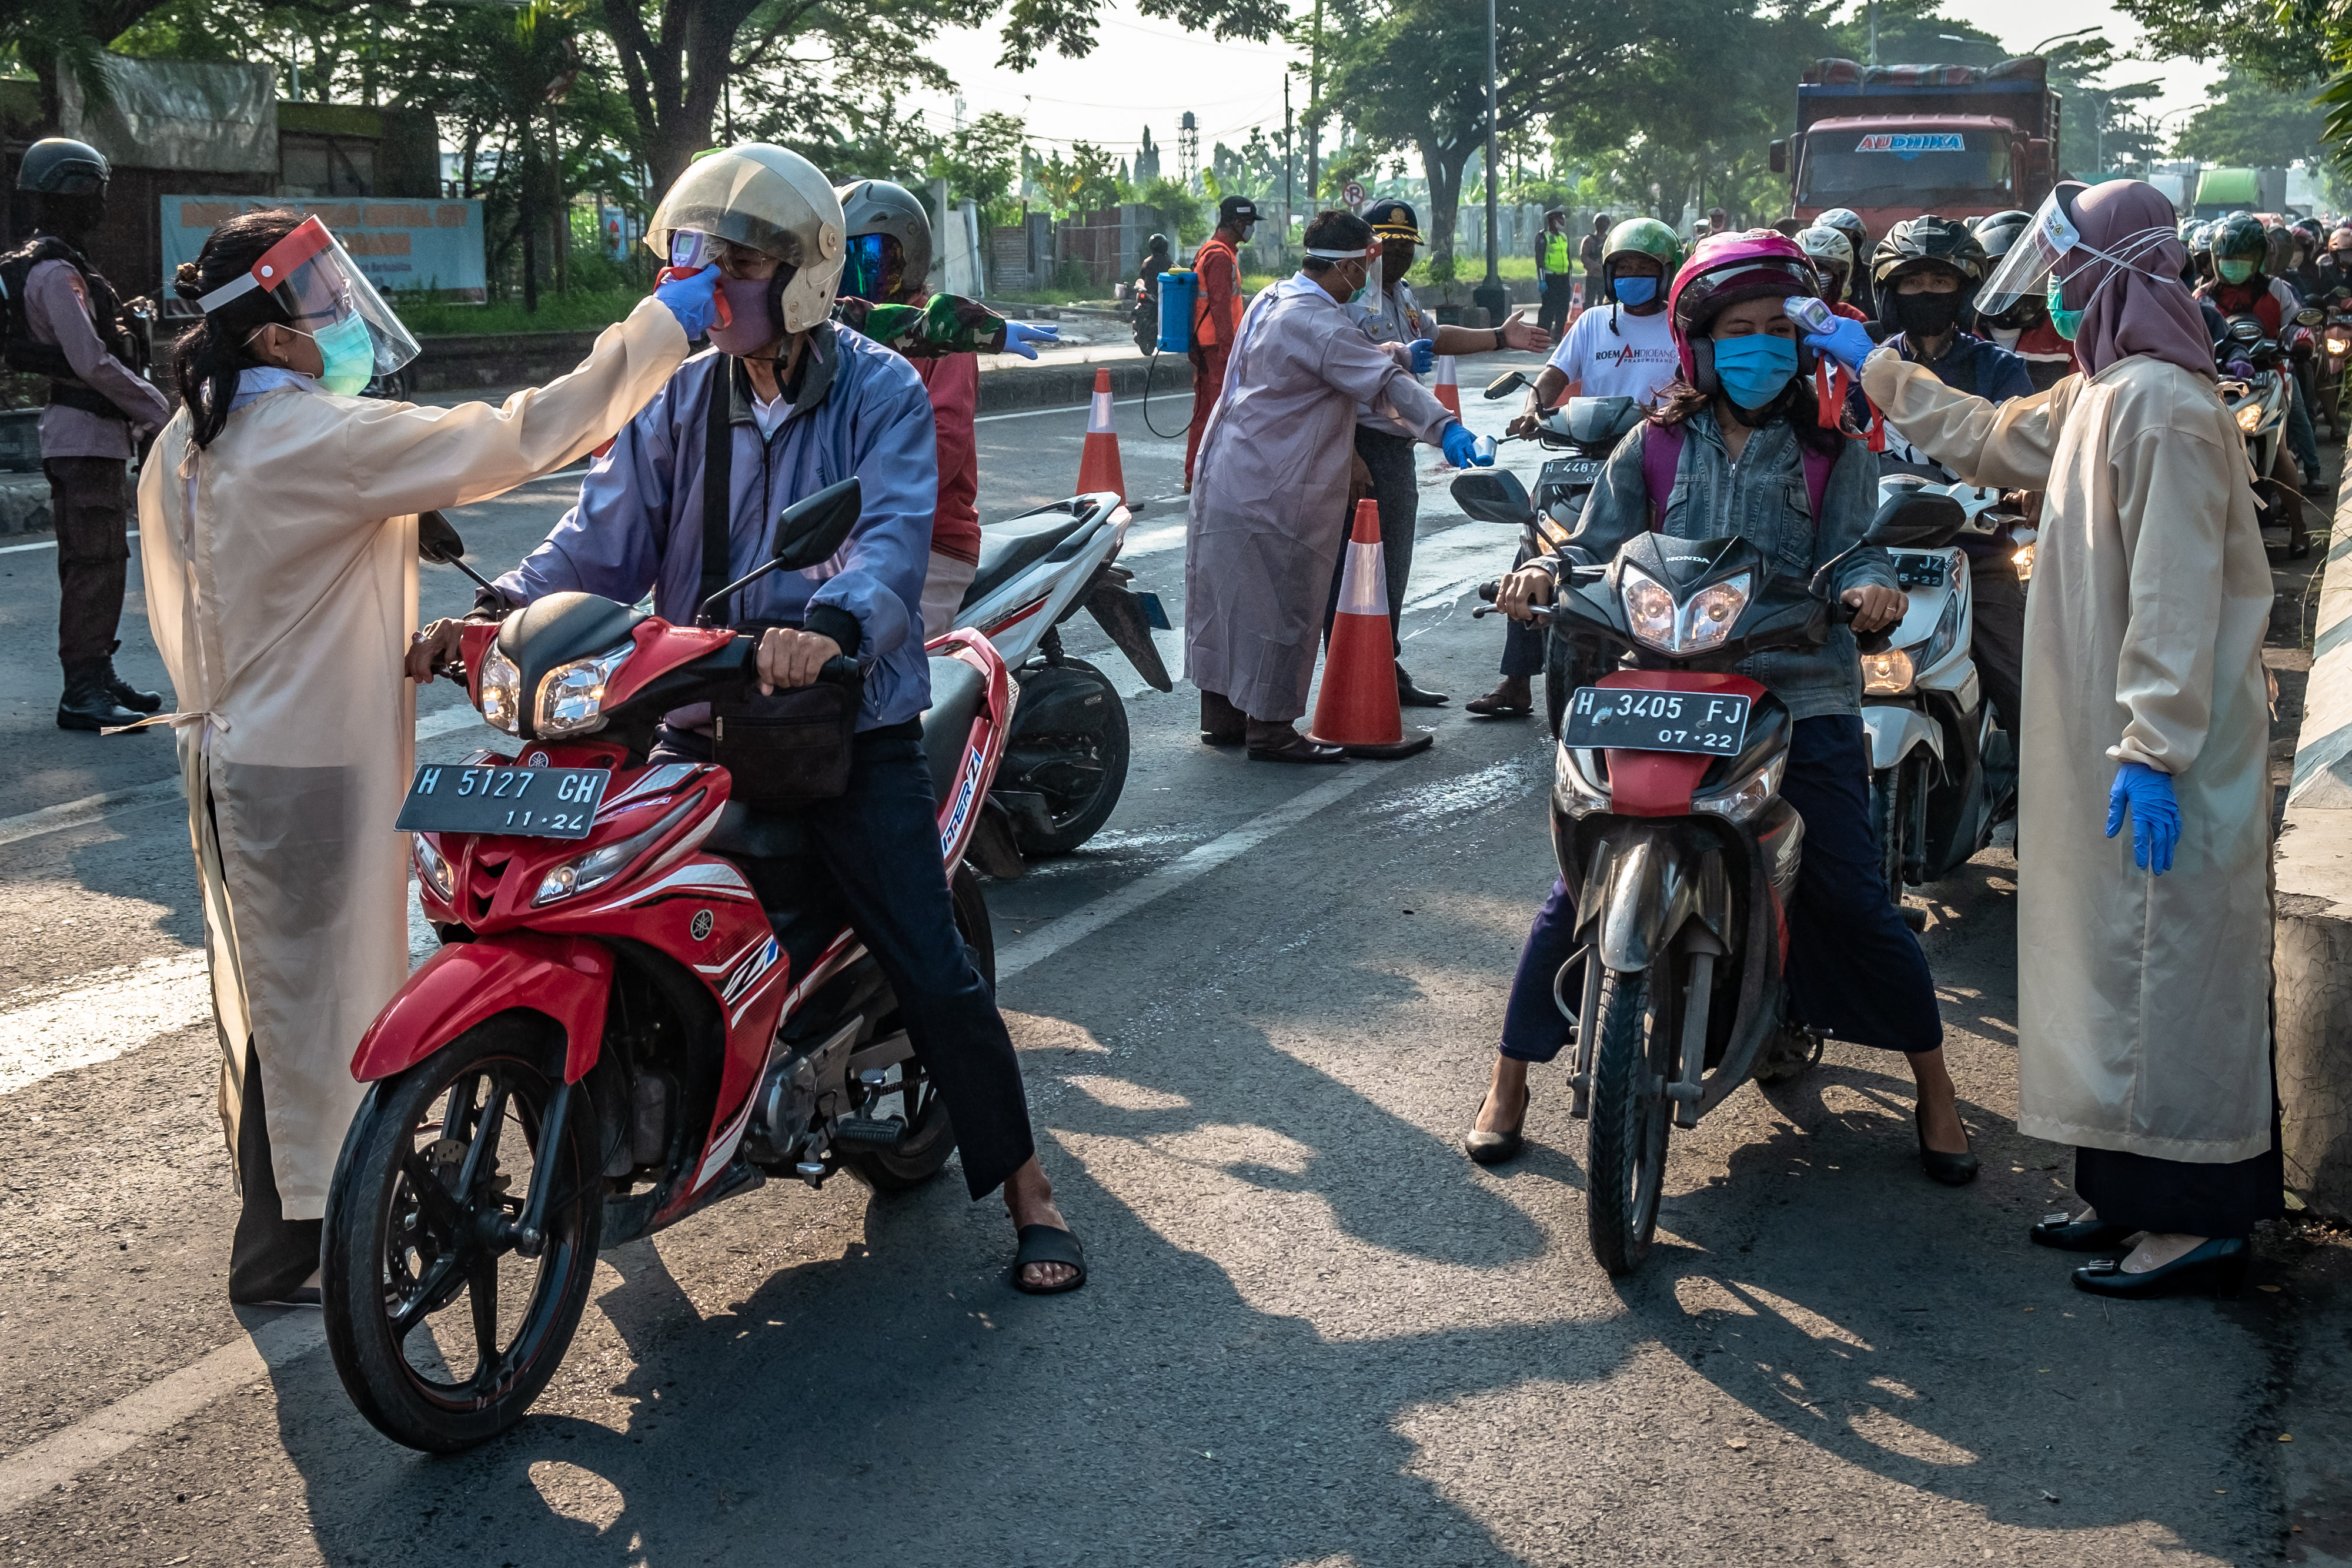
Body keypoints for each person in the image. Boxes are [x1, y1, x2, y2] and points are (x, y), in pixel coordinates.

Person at [413, 145, 1087, 1295]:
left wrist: (825, 625)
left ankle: (1030, 1190)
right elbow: (599, 537)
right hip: (688, 712)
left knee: (929, 963)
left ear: (803, 275)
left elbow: (888, 541)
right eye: (696, 258)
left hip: (842, 726)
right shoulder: (678, 396)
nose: (708, 283)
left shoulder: (879, 391)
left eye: (738, 261)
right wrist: (494, 611)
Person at [138, 208, 708, 1305]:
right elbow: (515, 437)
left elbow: (255, 585)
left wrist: (395, 530)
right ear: (270, 337)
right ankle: (318, 1237)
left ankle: (286, 1237)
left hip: (234, 759)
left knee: (274, 1001)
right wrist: (654, 330)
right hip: (312, 770)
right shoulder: (316, 437)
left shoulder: (190, 438)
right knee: (328, 1005)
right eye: (324, 306)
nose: (345, 316)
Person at [1809, 179, 2280, 1299]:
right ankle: (2120, 1191)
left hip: (2151, 752)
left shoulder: (2167, 408)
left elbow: (2173, 602)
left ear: (2118, 275)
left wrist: (2155, 748)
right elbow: (1981, 436)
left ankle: (2193, 1216)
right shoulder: (2101, 395)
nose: (2059, 295)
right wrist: (1867, 361)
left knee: (2161, 969)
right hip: (2099, 743)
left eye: (2071, 274)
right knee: (2102, 963)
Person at [1464, 230, 1974, 1185]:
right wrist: (1538, 570)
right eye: (1740, 330)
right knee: (1580, 880)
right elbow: (1591, 545)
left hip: (1800, 692)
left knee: (1853, 898)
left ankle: (1935, 1089)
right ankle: (1510, 1082)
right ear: (1700, 343)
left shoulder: (1832, 453)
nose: (1762, 346)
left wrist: (1874, 589)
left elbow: (1859, 549)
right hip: (1663, 687)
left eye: (1779, 330)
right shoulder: (1650, 445)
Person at [1187, 209, 1486, 762]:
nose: (1369, 276)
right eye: (1365, 264)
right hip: (1278, 481)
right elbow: (1377, 381)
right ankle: (1272, 730)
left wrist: (1398, 349)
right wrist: (1447, 428)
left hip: (1232, 472)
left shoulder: (1277, 297)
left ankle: (1223, 716)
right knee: (1283, 605)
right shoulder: (1319, 322)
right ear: (1348, 266)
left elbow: (1339, 358)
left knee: (1229, 600)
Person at [1334, 196, 1550, 710]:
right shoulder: (1346, 300)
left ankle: (1383, 662)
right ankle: (1360, 671)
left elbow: (1435, 336)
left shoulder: (1401, 295)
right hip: (1361, 446)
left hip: (1396, 444)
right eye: (1390, 245)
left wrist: (1500, 337)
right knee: (1358, 564)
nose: (1401, 255)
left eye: (1408, 245)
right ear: (1369, 246)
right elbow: (1333, 381)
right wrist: (1348, 455)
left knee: (1394, 563)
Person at [1466, 217, 1681, 718]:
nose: (1631, 275)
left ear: (1666, 272)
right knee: (1534, 543)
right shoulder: (1591, 324)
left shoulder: (1682, 326)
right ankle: (1515, 681)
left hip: (1658, 454)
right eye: (1623, 267)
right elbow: (1556, 373)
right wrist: (1533, 406)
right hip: (1588, 455)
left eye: (1643, 267)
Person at [831, 178, 1057, 639]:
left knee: (875, 658)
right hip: (849, 535)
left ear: (908, 259)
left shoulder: (940, 342)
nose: (860, 278)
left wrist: (854, 494)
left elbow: (941, 450)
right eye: (847, 262)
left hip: (929, 541)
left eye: (874, 261)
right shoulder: (835, 337)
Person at [1, 138, 172, 731]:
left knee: (100, 559)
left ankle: (97, 674)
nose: (101, 206)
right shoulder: (55, 272)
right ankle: (82, 689)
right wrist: (158, 410)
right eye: (94, 193)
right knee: (94, 562)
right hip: (83, 434)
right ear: (73, 193)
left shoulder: (60, 265)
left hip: (90, 435)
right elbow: (91, 362)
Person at [1870, 215, 2035, 738]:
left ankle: (2033, 802)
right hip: (1874, 560)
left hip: (1976, 555)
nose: (1927, 293)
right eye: (1913, 283)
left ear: (1964, 291)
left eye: (1940, 283)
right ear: (1891, 292)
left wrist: (2028, 484)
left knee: (2024, 689)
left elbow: (2025, 440)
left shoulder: (1999, 368)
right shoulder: (1866, 368)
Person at [2201, 211, 2323, 488]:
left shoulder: (2277, 289)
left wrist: (2303, 344)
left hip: (2270, 373)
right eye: (2228, 261)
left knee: (2286, 438)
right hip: (2219, 381)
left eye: (2241, 262)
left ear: (2257, 260)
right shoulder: (2203, 297)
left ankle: (2309, 489)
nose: (2233, 267)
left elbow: (2296, 323)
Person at [1185, 195, 1258, 490]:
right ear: (1237, 222)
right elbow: (1220, 309)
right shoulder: (1219, 256)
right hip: (1216, 348)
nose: (1251, 228)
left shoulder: (1217, 251)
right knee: (1215, 411)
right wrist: (1231, 351)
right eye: (1250, 223)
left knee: (1207, 411)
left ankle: (1196, 474)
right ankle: (1202, 475)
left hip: (1209, 346)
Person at [1971, 209, 2079, 390]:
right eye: (2004, 275)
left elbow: (2079, 400)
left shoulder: (2064, 333)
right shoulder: (1960, 334)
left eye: (2031, 274)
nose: (2017, 286)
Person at [1795, 225, 1867, 320]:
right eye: (1807, 268)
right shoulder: (1780, 311)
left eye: (1824, 269)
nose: (1815, 273)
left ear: (1839, 278)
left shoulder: (1851, 317)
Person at [1817, 207, 1876, 320]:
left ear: (1856, 243)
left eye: (1842, 238)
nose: (1834, 245)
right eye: (1827, 239)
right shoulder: (1806, 275)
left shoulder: (1873, 278)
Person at [1536, 209, 1576, 340]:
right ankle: (1542, 335)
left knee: (1563, 309)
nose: (1563, 221)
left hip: (1563, 277)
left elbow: (1568, 260)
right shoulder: (1543, 237)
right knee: (1548, 309)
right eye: (1560, 219)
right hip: (1550, 277)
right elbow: (1540, 260)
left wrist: (1569, 280)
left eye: (1563, 218)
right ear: (1552, 220)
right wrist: (1542, 281)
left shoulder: (1564, 237)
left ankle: (1559, 336)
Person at [1132, 231, 1174, 352]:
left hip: (1151, 295)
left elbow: (1142, 274)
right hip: (1161, 296)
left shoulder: (1147, 262)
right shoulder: (1168, 262)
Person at [1579, 213, 1609, 320]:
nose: (1602, 224)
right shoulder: (1589, 240)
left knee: (1605, 301)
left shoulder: (1610, 240)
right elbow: (1584, 256)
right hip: (1592, 276)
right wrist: (1596, 266)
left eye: (1605, 222)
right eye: (1600, 222)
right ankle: (1588, 320)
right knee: (1589, 301)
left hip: (1605, 278)